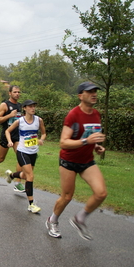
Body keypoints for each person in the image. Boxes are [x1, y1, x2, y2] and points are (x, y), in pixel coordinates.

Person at [45, 82, 107, 240]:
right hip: (69, 161)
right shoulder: (73, 115)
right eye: (89, 92)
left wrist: (97, 146)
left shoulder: (96, 114)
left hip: (87, 161)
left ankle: (80, 218)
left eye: (95, 91)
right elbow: (63, 142)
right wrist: (87, 141)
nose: (94, 94)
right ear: (80, 95)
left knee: (101, 193)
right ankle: (52, 220)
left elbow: (90, 136)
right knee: (67, 196)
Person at [5, 99, 47, 213]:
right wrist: (10, 141)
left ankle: (11, 175)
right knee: (30, 176)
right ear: (24, 108)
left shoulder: (39, 120)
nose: (33, 108)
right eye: (30, 106)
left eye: (34, 106)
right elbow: (7, 131)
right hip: (22, 151)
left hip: (33, 151)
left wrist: (41, 139)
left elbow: (43, 133)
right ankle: (31, 204)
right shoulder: (20, 121)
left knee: (25, 175)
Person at [0, 85, 25, 192]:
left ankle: (17, 183)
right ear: (10, 93)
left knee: (21, 158)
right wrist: (9, 115)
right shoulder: (5, 105)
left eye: (19, 92)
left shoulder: (21, 106)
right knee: (1, 158)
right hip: (6, 135)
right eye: (15, 92)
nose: (17, 94)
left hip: (17, 136)